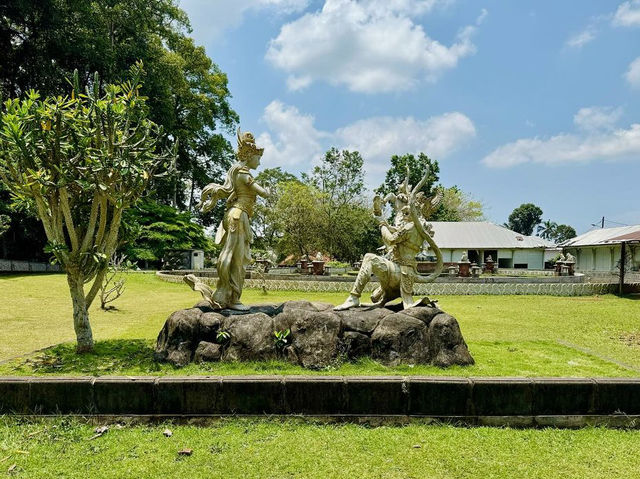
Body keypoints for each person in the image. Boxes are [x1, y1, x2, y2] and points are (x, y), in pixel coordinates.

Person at [191, 129, 270, 310]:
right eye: (258, 157)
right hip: (238, 216)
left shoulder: (237, 173)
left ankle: (227, 295)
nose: (259, 161)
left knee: (235, 257)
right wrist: (268, 190)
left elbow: (230, 197)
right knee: (237, 259)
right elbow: (263, 193)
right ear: (249, 156)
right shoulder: (244, 174)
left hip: (236, 215)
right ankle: (232, 298)